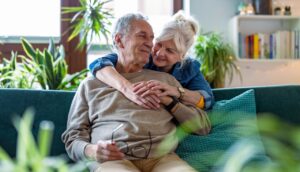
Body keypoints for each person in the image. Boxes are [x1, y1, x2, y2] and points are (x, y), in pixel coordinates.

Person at [62, 13, 211, 172]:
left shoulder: (166, 81)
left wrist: (171, 102)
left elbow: (203, 125)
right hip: (113, 161)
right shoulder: (92, 84)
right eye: (142, 36)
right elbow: (73, 138)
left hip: (163, 160)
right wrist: (92, 150)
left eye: (151, 38)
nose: (150, 45)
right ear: (119, 40)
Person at [89, 11, 214, 111]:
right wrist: (127, 88)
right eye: (158, 44)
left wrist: (176, 91)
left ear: (182, 55)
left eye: (170, 50)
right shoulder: (143, 57)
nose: (159, 53)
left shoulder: (190, 68)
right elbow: (99, 64)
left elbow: (206, 100)